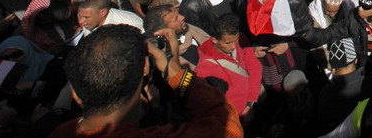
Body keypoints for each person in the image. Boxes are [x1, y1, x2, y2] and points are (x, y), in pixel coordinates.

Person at [50, 24, 243, 138]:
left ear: (75, 93)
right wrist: (177, 74)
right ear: (145, 67)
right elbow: (228, 126)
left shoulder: (60, 132)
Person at [195, 13, 263, 120]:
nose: (233, 46)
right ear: (214, 40)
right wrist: (240, 116)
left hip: (250, 106)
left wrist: (250, 103)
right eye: (228, 43)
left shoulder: (241, 39)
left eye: (236, 40)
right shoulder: (204, 68)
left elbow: (255, 67)